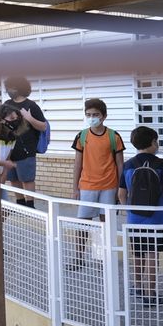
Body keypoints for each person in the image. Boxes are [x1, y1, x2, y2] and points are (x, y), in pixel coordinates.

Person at [118, 125, 163, 306]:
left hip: (134, 218)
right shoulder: (161, 164)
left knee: (138, 252)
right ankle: (150, 294)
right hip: (157, 217)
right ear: (153, 142)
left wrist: (130, 210)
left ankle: (137, 287)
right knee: (152, 254)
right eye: (156, 141)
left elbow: (121, 194)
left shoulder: (128, 165)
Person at [69, 99, 124, 268]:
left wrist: (121, 189)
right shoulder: (82, 136)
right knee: (82, 223)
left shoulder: (114, 136)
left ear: (104, 116)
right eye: (88, 115)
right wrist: (75, 188)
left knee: (105, 224)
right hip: (87, 186)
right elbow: (78, 164)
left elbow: (120, 164)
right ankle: (78, 258)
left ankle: (103, 260)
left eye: (95, 115)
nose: (92, 117)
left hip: (109, 186)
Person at [1, 76, 48, 206]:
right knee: (13, 178)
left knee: (27, 179)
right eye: (8, 88)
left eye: (12, 87)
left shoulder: (31, 105)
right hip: (9, 150)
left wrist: (29, 118)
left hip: (27, 149)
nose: (10, 90)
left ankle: (30, 204)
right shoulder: (7, 104)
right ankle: (20, 203)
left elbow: (43, 126)